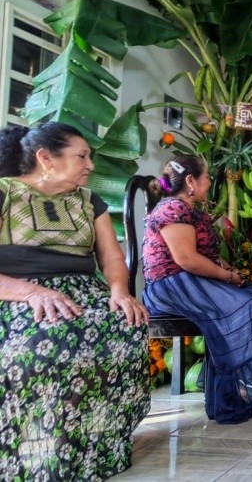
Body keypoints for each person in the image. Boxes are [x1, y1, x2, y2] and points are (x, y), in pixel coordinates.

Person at [0, 122, 150, 480]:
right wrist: (34, 292)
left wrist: (119, 291)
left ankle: (96, 447)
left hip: (84, 291)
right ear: (45, 158)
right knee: (47, 341)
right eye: (82, 156)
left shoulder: (88, 201)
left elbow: (112, 258)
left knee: (123, 326)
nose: (91, 165)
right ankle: (37, 453)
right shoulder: (5, 192)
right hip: (16, 294)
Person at [141, 155, 252, 424]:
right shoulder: (171, 210)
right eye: (207, 177)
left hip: (194, 280)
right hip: (173, 285)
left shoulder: (192, 211)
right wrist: (227, 277)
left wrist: (230, 271)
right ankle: (236, 395)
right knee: (245, 306)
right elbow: (186, 259)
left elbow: (209, 255)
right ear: (191, 181)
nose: (211, 182)